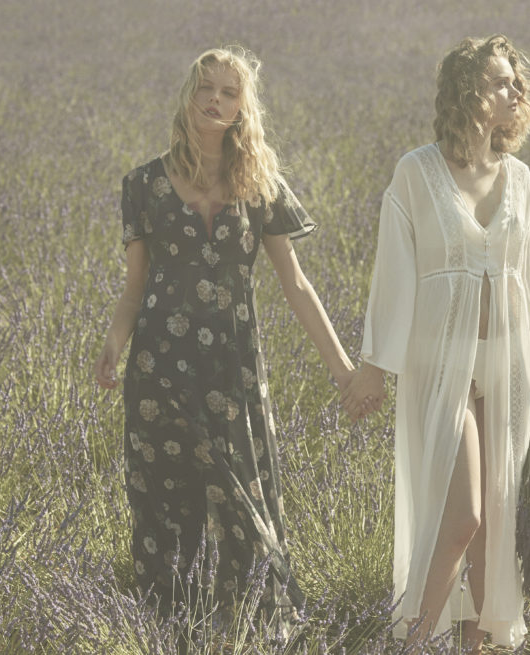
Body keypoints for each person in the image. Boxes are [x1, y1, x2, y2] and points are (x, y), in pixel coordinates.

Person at [93, 46, 356, 644]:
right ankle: (173, 634)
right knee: (167, 509)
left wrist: (344, 371)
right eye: (205, 88)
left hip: (234, 375)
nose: (214, 99)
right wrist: (113, 345)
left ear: (243, 108)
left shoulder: (259, 185)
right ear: (188, 96)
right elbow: (134, 289)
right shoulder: (143, 185)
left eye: (229, 92)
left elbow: (296, 284)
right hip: (160, 373)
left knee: (244, 505)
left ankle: (248, 631)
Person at [343, 35, 530, 652]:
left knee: (496, 525)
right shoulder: (416, 172)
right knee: (464, 515)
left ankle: (474, 645)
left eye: (516, 82)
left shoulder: (519, 178)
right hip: (442, 365)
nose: (514, 91)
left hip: (508, 366)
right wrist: (374, 367)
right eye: (500, 81)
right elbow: (394, 275)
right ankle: (412, 640)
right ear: (467, 91)